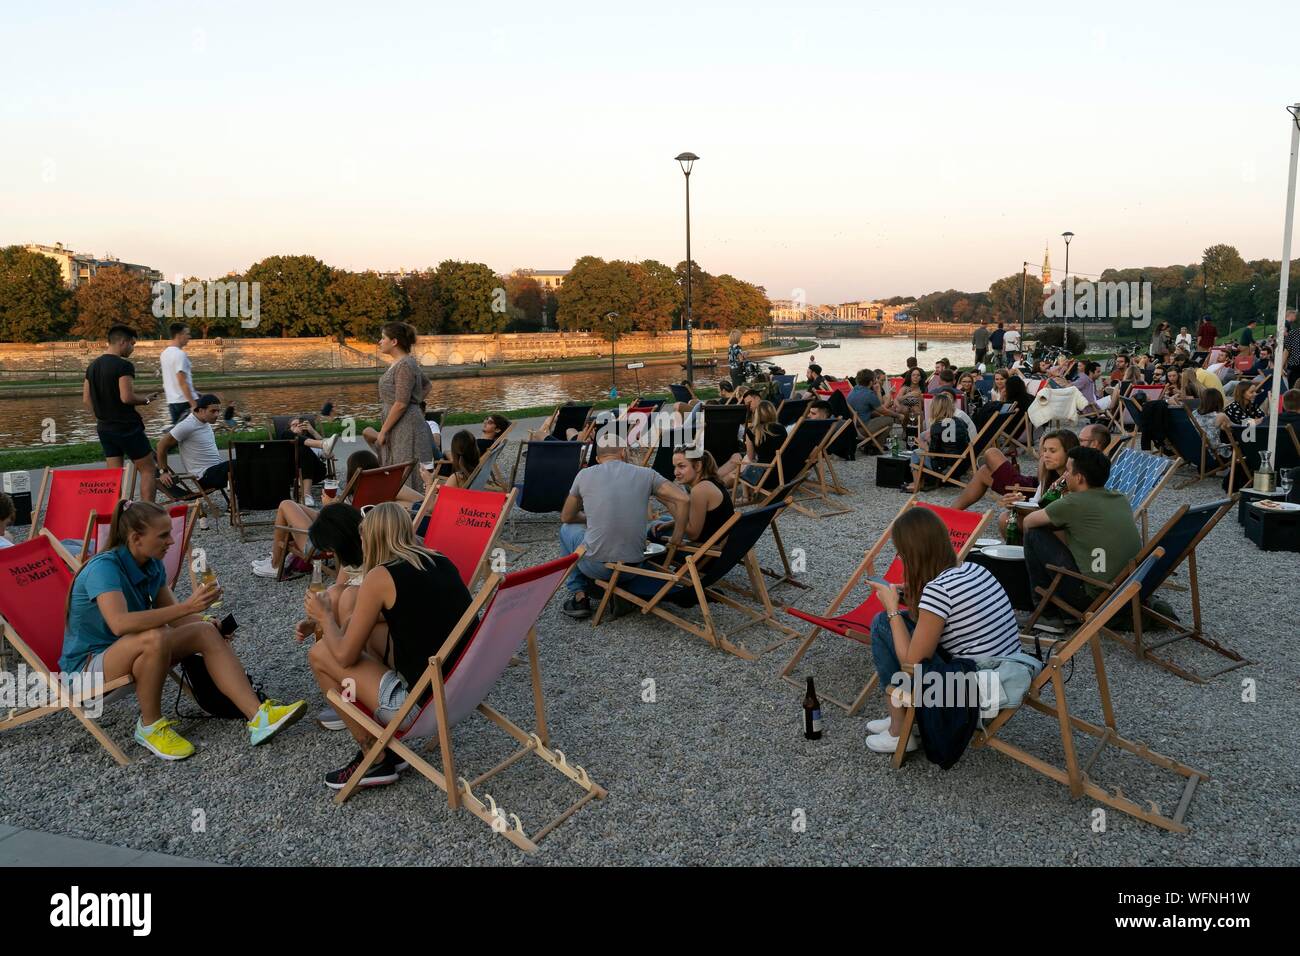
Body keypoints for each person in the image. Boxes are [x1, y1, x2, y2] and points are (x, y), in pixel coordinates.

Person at [60, 500, 305, 760]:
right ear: (135, 538)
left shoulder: (151, 564)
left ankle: (258, 716)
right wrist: (187, 607)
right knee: (155, 636)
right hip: (86, 674)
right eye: (163, 535)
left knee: (203, 632)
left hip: (130, 656)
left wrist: (206, 619)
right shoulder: (104, 568)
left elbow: (179, 619)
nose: (171, 542)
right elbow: (120, 623)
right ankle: (149, 726)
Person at [304, 502, 474, 788]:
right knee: (365, 633)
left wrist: (324, 617)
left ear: (371, 537)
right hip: (464, 688)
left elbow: (344, 656)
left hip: (421, 708)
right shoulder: (439, 560)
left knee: (320, 654)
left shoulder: (380, 577)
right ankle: (385, 741)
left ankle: (375, 753)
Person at [863, 506, 1021, 754]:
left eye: (902, 553)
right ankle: (904, 717)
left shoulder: (939, 590)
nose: (901, 559)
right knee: (898, 622)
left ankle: (898, 729)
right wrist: (911, 593)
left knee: (884, 622)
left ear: (913, 554)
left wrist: (893, 607)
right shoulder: (975, 568)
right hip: (1005, 672)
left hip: (977, 692)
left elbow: (911, 664)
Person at [558, 434, 689, 619]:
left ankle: (579, 595)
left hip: (598, 567)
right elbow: (683, 499)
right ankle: (612, 591)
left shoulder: (584, 475)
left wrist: (592, 518)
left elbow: (567, 516)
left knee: (566, 530)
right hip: (634, 565)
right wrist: (677, 537)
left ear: (597, 459)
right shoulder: (646, 474)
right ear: (624, 452)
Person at [1022, 446, 1142, 631]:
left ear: (1079, 478)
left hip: (1092, 596)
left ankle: (1047, 614)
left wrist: (1058, 504)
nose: (1064, 477)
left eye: (1068, 471)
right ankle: (1062, 612)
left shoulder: (1073, 503)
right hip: (1125, 590)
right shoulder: (1119, 498)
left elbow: (1028, 522)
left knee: (1035, 534)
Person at [83, 325, 158, 503]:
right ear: (123, 342)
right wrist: (145, 400)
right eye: (132, 344)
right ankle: (148, 513)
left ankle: (115, 514)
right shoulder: (123, 365)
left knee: (114, 476)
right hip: (127, 427)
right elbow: (126, 397)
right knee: (148, 469)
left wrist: (104, 413)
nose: (133, 348)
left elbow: (86, 399)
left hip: (104, 427)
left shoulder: (92, 366)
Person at [369, 321, 432, 491]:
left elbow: (401, 403)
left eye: (383, 338)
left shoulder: (405, 364)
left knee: (405, 467)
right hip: (401, 422)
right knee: (399, 464)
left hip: (406, 425)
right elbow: (427, 385)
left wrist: (383, 431)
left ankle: (413, 508)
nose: (379, 342)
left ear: (394, 341)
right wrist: (415, 402)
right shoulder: (401, 363)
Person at [651, 449, 734, 545]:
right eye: (675, 467)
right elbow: (708, 520)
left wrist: (669, 504)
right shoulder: (711, 482)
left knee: (652, 530)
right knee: (663, 520)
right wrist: (671, 524)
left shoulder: (700, 490)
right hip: (716, 541)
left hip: (706, 552)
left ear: (698, 466)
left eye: (681, 466)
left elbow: (693, 535)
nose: (676, 472)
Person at [155, 394, 228, 497]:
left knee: (244, 463)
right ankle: (241, 505)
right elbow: (161, 445)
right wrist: (163, 472)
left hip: (214, 472)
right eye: (213, 411)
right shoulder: (187, 425)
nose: (217, 415)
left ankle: (247, 503)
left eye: (218, 411)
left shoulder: (204, 422)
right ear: (201, 410)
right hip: (204, 477)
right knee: (237, 465)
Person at [908, 392, 970, 492]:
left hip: (947, 468)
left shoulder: (937, 426)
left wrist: (923, 445)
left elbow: (933, 454)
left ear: (935, 408)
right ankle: (927, 482)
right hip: (962, 465)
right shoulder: (960, 421)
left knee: (916, 453)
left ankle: (916, 484)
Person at [719, 400, 786, 490]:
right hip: (781, 473)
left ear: (757, 414)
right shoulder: (782, 429)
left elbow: (750, 458)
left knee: (742, 463)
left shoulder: (752, 431)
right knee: (738, 457)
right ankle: (716, 482)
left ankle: (719, 486)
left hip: (764, 477)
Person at [159, 322, 200, 425]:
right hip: (184, 401)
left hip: (172, 401)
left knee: (179, 434)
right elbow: (182, 381)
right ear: (178, 335)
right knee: (197, 433)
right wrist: (193, 404)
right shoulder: (180, 354)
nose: (189, 337)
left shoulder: (164, 354)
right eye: (187, 334)